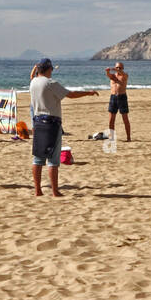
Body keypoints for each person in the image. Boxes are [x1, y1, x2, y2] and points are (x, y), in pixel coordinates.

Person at [28, 58, 98, 197]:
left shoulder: (33, 82)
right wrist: (88, 93)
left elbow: (34, 77)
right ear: (49, 69)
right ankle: (54, 191)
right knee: (53, 160)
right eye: (51, 69)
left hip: (37, 122)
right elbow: (70, 95)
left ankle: (38, 190)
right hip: (51, 123)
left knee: (37, 158)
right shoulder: (50, 83)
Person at [104, 62, 131, 141]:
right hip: (113, 97)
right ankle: (112, 137)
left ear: (122, 68)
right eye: (117, 67)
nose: (118, 69)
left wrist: (115, 69)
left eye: (120, 67)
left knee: (125, 118)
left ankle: (128, 137)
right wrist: (108, 71)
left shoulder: (124, 75)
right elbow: (108, 75)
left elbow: (122, 73)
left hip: (122, 97)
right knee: (111, 119)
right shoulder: (113, 76)